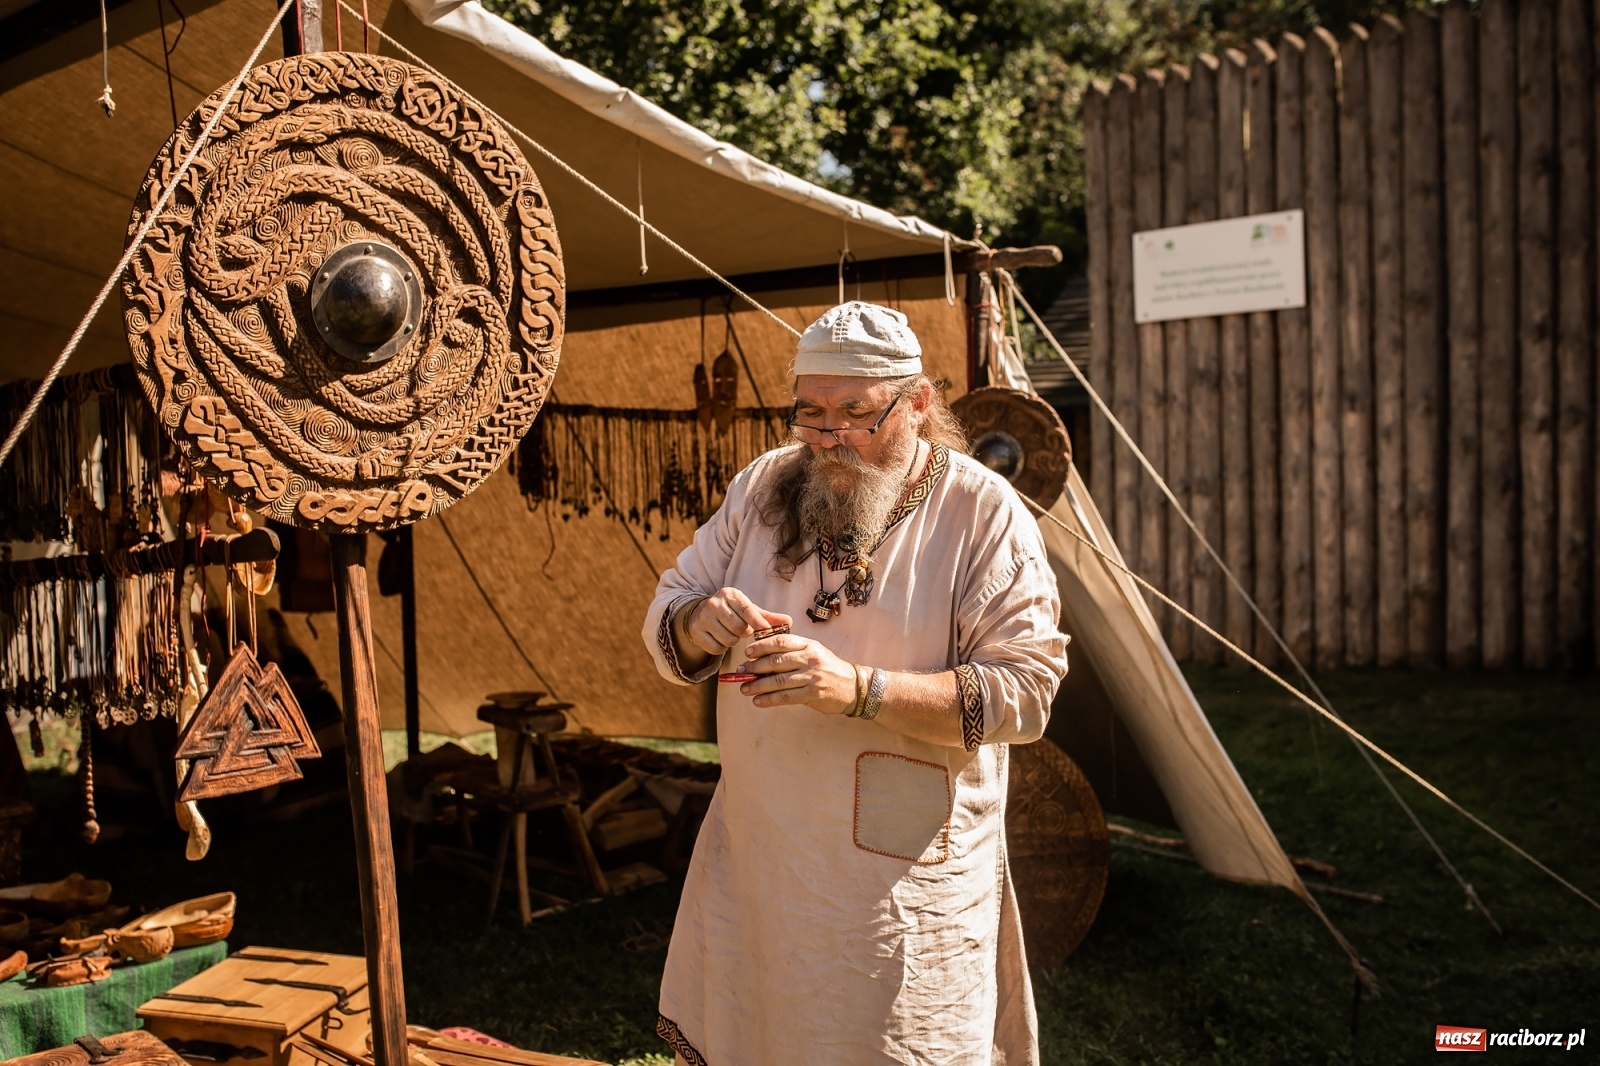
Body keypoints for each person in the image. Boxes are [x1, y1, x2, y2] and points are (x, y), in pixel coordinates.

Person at [641, 300, 1070, 1066]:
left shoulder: (981, 510)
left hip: (896, 884)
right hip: (764, 856)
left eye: (855, 414)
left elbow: (1026, 691)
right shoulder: (766, 485)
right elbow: (674, 600)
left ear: (916, 404)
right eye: (810, 412)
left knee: (892, 1047)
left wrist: (860, 690)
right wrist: (698, 622)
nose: (828, 436)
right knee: (759, 1033)